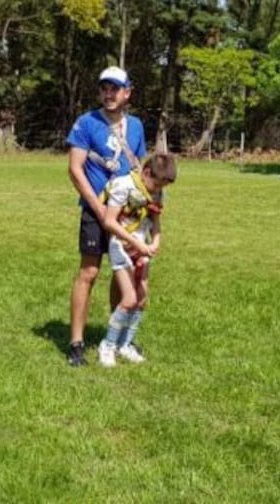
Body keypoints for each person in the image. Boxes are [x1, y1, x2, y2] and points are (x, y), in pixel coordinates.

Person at [64, 66, 147, 367]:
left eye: (115, 88)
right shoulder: (86, 123)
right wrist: (98, 210)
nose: (109, 94)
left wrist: (142, 208)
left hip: (125, 214)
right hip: (94, 210)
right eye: (104, 88)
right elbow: (75, 169)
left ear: (128, 92)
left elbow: (138, 169)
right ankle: (76, 343)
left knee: (122, 273)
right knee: (89, 273)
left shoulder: (136, 126)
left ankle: (116, 341)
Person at [97, 154, 177, 367]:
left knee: (141, 300)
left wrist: (155, 241)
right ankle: (108, 345)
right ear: (146, 173)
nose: (157, 190)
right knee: (130, 298)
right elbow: (109, 221)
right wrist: (135, 243)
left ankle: (126, 344)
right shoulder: (124, 186)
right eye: (156, 185)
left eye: (162, 187)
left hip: (141, 245)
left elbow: (156, 221)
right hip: (121, 246)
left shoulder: (158, 193)